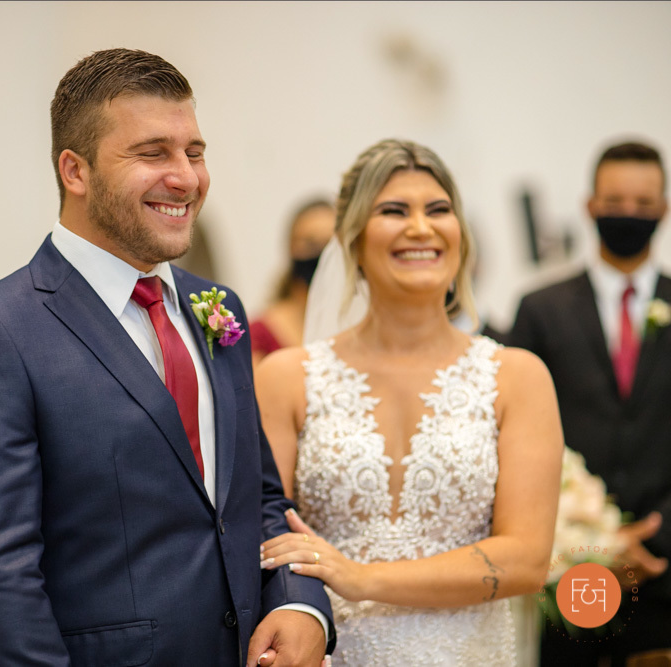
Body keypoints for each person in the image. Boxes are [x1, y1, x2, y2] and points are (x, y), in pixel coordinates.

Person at [0, 48, 334, 666]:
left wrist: (299, 605)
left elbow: (260, 499)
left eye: (194, 152)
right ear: (75, 171)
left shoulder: (219, 309)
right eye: (152, 152)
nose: (187, 177)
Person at [255, 139, 563, 665]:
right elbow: (262, 530)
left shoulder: (518, 376)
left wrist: (361, 578)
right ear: (352, 238)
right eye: (394, 211)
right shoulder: (288, 377)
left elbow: (526, 560)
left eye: (438, 210)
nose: (421, 228)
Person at [509, 140, 670, 666]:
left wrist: (656, 534)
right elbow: (515, 438)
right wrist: (589, 538)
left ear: (664, 210)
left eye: (644, 205)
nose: (629, 214)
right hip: (569, 573)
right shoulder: (540, 310)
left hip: (663, 567)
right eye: (616, 201)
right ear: (590, 206)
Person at [250, 200, 336, 364]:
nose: (322, 253)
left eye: (330, 244)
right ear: (291, 247)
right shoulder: (259, 333)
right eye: (310, 244)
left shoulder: (360, 328)